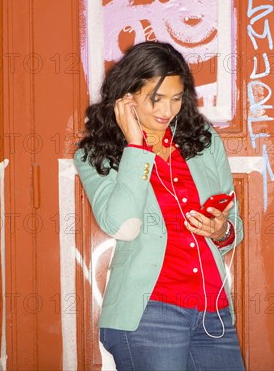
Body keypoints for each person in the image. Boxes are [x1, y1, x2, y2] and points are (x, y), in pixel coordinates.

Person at [74, 41, 245, 370]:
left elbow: (232, 223)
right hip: (150, 314)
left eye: (176, 98)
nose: (168, 110)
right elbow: (123, 225)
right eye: (156, 98)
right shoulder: (97, 152)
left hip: (214, 311)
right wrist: (136, 147)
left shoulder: (203, 141)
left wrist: (221, 229)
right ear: (128, 94)